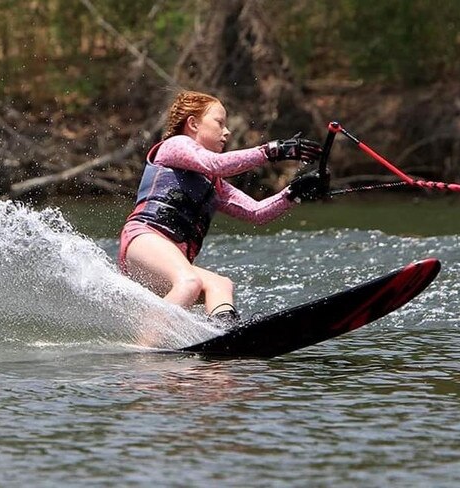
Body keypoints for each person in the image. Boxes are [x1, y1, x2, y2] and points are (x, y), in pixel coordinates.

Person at [118, 90, 328, 325]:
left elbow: (256, 213)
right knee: (189, 282)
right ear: (193, 124)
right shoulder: (174, 145)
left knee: (220, 285)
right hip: (145, 239)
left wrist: (293, 193)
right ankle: (145, 351)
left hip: (169, 259)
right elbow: (215, 164)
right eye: (219, 123)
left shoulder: (212, 183)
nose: (226, 132)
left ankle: (225, 332)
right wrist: (272, 151)